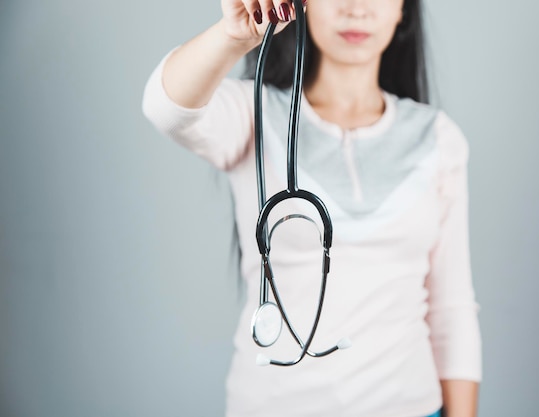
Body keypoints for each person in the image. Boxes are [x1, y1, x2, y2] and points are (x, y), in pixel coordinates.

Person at [142, 0, 482, 416]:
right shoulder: (253, 115)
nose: (357, 9)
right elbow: (164, 108)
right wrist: (234, 36)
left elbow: (452, 308)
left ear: (404, 9)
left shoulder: (438, 138)